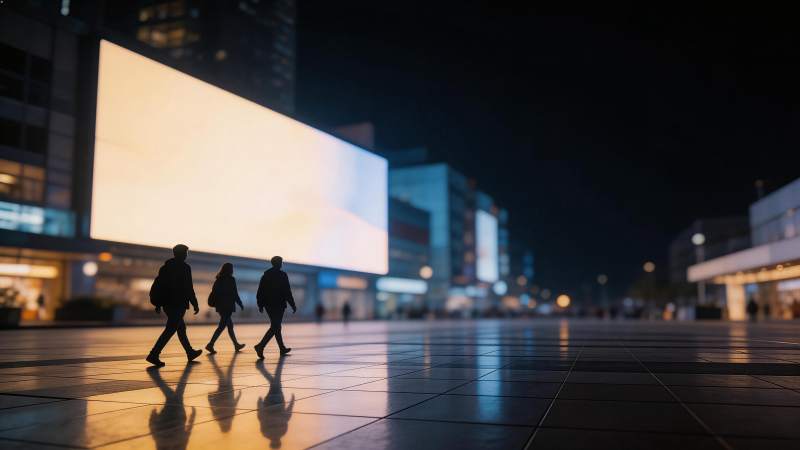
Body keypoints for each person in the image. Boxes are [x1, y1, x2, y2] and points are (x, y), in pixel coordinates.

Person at [147, 244, 202, 367]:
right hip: (178, 303)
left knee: (180, 328)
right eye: (186, 252)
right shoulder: (185, 268)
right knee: (171, 329)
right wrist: (195, 303)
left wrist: (158, 304)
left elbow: (159, 286)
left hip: (167, 303)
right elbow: (189, 288)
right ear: (182, 254)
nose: (187, 255)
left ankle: (190, 352)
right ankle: (154, 354)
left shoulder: (165, 267)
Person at [254, 256, 296, 358]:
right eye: (281, 262)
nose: (282, 263)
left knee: (276, 326)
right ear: (278, 263)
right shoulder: (282, 275)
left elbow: (260, 292)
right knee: (275, 326)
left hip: (269, 304)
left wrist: (260, 304)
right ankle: (260, 346)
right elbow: (287, 291)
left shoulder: (266, 275)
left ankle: (281, 348)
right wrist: (292, 304)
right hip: (279, 304)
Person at [205, 263, 246, 354]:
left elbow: (214, 292)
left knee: (230, 326)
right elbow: (234, 293)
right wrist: (240, 303)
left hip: (220, 306)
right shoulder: (231, 279)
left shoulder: (218, 280)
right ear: (230, 269)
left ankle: (236, 345)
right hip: (227, 306)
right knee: (222, 326)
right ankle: (210, 344)